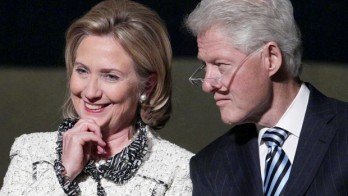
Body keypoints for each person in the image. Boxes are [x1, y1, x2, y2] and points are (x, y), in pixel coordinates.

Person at [0, 0, 193, 195]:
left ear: (148, 85)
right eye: (82, 71)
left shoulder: (178, 171)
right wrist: (63, 173)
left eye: (110, 76)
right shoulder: (32, 152)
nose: (91, 92)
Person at [185, 0, 348, 195]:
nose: (206, 84)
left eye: (221, 65)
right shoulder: (209, 166)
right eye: (205, 66)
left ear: (271, 59)